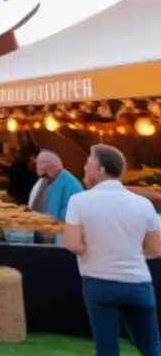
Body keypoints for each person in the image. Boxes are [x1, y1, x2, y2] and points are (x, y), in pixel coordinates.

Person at [64, 145, 161, 356]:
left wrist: (94, 251)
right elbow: (156, 248)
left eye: (88, 163)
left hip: (99, 283)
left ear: (100, 170)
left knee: (107, 347)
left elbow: (72, 243)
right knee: (151, 345)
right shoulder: (144, 204)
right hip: (138, 283)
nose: (84, 168)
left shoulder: (78, 201)